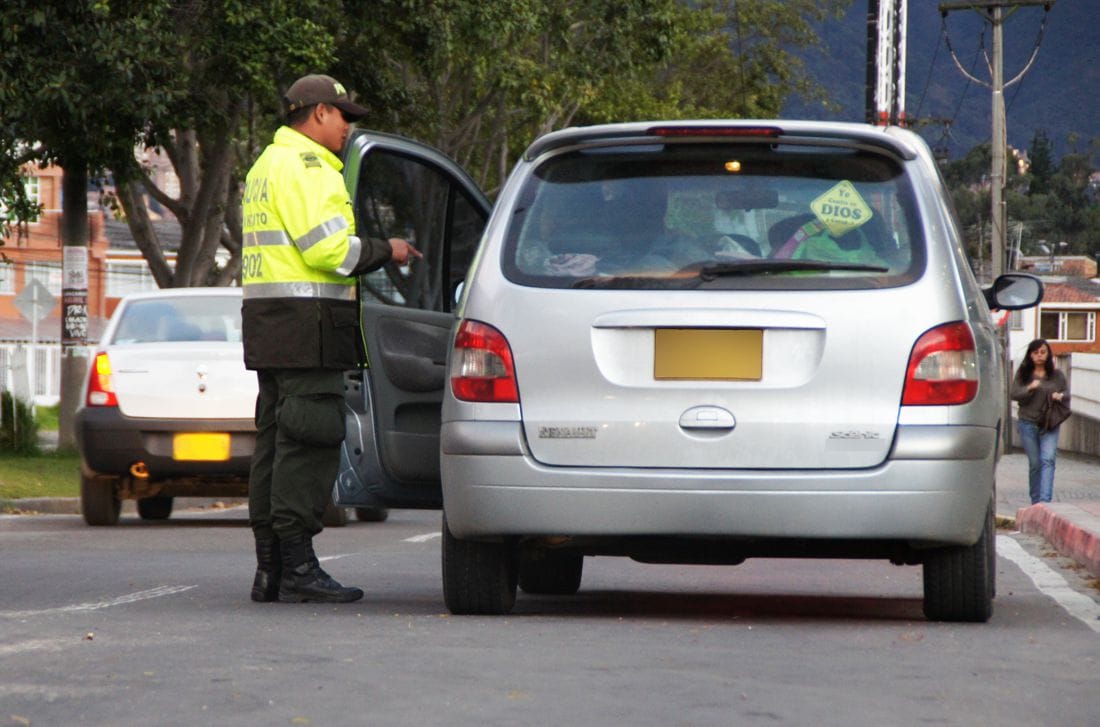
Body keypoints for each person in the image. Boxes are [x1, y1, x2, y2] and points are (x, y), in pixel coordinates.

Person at [241, 73, 420, 604]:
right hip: (308, 328)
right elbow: (331, 252)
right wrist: (388, 249)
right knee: (310, 440)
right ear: (318, 113)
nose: (348, 127)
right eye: (344, 116)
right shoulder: (310, 167)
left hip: (270, 325)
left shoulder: (265, 165)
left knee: (275, 443)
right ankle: (298, 567)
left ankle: (270, 569)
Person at [1011, 338, 1070, 504]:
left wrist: (1060, 396)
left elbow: (1067, 393)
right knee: (1035, 463)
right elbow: (1013, 393)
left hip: (1050, 423)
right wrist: (1029, 387)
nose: (1039, 356)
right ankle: (1036, 501)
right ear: (1030, 355)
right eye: (1036, 352)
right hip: (1027, 423)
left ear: (1048, 354)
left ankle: (1045, 502)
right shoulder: (1024, 374)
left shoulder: (1056, 375)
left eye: (1043, 352)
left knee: (1048, 459)